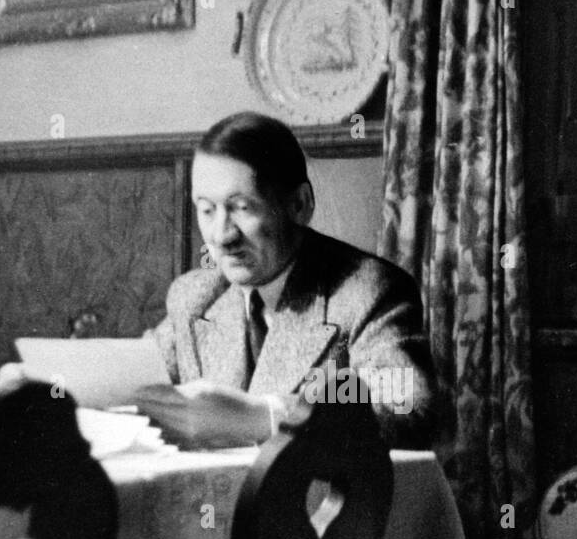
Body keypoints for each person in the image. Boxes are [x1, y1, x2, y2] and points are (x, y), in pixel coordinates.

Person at [133, 111, 436, 449]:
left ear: (300, 205)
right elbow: (138, 374)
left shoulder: (366, 290)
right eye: (206, 210)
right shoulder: (196, 295)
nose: (221, 236)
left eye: (242, 208)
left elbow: (410, 409)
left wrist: (264, 417)